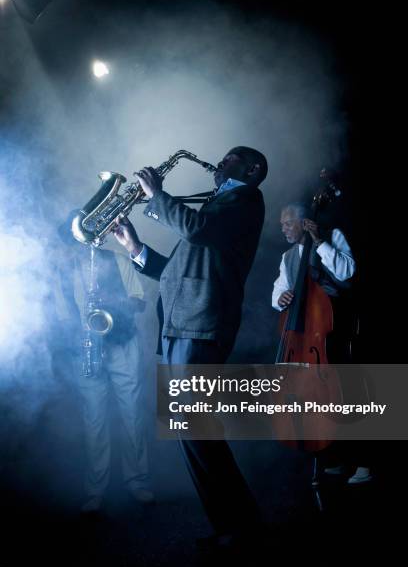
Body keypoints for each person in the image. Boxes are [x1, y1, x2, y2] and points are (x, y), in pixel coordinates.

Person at [113, 146, 268, 545]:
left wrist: (158, 196)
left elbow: (196, 229)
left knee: (198, 431)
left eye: (232, 157)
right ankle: (232, 526)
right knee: (193, 432)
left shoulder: (244, 199)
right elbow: (173, 274)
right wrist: (134, 249)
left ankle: (240, 528)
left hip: (201, 324)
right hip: (185, 324)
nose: (222, 160)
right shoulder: (219, 208)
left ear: (252, 169)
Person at [54, 214, 154, 512]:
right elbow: (62, 318)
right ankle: (95, 489)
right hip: (87, 349)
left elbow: (140, 300)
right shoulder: (64, 271)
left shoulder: (118, 261)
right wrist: (82, 334)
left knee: (132, 413)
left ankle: (137, 480)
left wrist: (114, 304)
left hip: (123, 343)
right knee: (94, 419)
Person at [272, 202, 372, 484]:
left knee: (349, 394)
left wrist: (319, 242)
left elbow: (347, 273)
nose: (283, 229)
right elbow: (278, 290)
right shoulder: (288, 256)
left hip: (336, 330)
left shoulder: (333, 236)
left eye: (288, 223)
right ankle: (334, 458)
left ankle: (364, 460)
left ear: (305, 222)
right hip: (307, 338)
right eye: (281, 224)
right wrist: (280, 299)